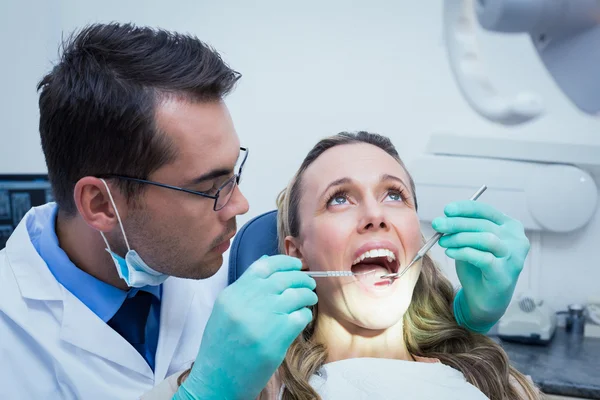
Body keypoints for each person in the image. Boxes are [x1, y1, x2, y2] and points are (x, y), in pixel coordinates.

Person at [0, 23, 526, 400]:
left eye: (236, 173)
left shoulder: (220, 258)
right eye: (211, 188)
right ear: (101, 204)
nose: (241, 206)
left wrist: (467, 319)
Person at [143, 131, 536, 400]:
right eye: (339, 199)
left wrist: (471, 330)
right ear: (296, 252)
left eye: (394, 195)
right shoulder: (250, 381)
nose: (374, 214)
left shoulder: (492, 380)